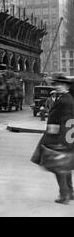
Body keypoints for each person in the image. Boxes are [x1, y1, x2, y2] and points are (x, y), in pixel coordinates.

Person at [31, 72, 74, 204]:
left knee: (58, 166)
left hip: (59, 137)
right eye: (57, 84)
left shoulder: (66, 100)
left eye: (62, 84)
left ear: (67, 86)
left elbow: (67, 121)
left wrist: (58, 139)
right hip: (64, 137)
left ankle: (64, 195)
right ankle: (70, 191)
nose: (59, 86)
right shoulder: (65, 98)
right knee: (65, 165)